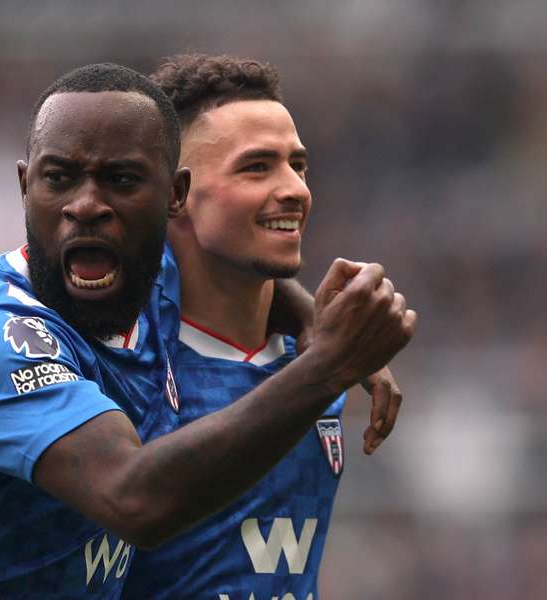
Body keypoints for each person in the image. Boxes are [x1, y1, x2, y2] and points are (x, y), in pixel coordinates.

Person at [0, 63, 415, 599]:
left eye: (121, 180)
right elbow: (135, 498)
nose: (88, 206)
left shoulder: (138, 287)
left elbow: (226, 273)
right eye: (59, 178)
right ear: (26, 186)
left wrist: (314, 319)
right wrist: (328, 366)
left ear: (172, 198)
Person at [121, 54, 403, 600]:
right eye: (256, 167)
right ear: (174, 194)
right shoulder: (119, 356)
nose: (295, 189)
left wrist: (331, 346)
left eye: (297, 165)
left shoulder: (317, 358)